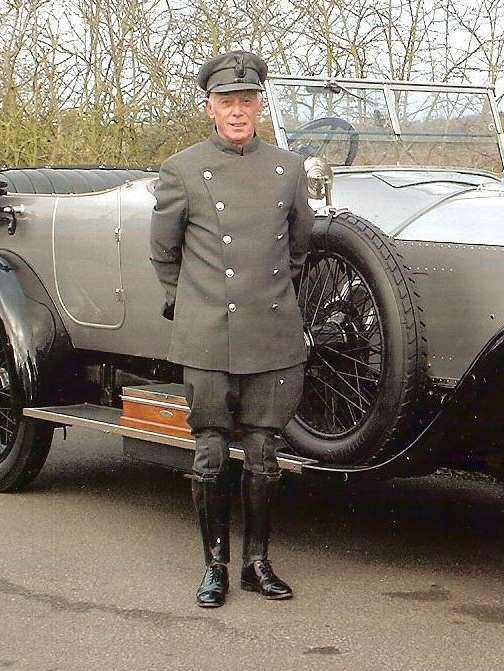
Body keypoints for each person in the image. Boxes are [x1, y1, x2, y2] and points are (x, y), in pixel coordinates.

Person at [149, 50, 314, 607]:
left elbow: (297, 250)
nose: (238, 111)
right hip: (209, 334)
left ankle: (257, 563)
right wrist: (194, 302)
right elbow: (164, 253)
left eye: (247, 101)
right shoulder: (182, 169)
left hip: (271, 330)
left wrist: (266, 297)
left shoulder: (288, 169)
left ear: (259, 107)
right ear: (210, 108)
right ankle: (214, 567)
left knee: (264, 456)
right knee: (211, 454)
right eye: (227, 102)